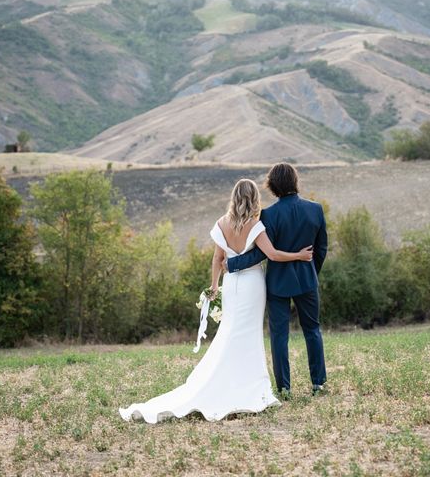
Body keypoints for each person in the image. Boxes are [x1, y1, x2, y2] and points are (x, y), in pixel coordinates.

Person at [119, 178, 313, 423]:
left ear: (234, 197)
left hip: (230, 285)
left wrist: (214, 286)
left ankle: (227, 381)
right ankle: (246, 386)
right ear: (254, 199)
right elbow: (272, 254)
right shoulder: (256, 226)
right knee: (248, 333)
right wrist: (299, 255)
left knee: (230, 330)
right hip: (252, 285)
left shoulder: (221, 223)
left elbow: (217, 258)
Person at [225, 163, 328, 398]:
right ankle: (318, 383)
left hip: (277, 284)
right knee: (312, 330)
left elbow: (263, 252)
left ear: (272, 185)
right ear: (295, 181)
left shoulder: (269, 214)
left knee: (279, 336)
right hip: (307, 280)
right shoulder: (315, 209)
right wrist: (311, 271)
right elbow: (321, 249)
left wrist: (232, 264)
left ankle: (284, 388)